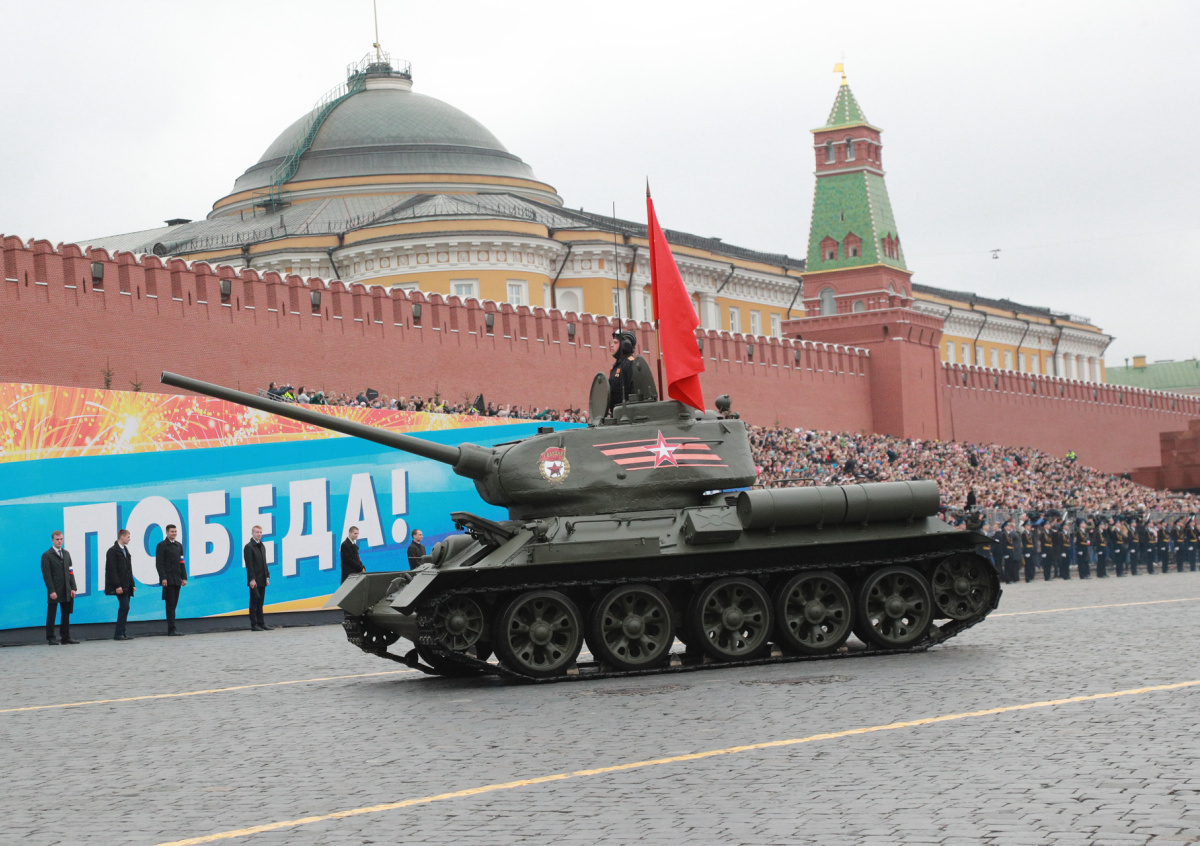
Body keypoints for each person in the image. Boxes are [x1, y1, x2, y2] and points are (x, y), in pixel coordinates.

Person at [41, 530, 78, 645]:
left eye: (61, 539)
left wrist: (73, 587)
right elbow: (47, 575)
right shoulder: (47, 555)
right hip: (55, 589)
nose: (59, 541)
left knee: (66, 613)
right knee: (52, 614)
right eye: (57, 539)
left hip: (66, 588)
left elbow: (70, 571)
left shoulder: (66, 554)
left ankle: (65, 637)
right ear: (52, 540)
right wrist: (51, 590)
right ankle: (51, 637)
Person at [155, 524, 187, 636]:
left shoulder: (179, 545)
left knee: (174, 604)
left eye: (175, 531)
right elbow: (159, 564)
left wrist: (184, 577)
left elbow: (182, 562)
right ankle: (171, 630)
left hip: (177, 579)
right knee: (170, 605)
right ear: (167, 532)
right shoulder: (161, 545)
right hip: (168, 580)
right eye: (172, 531)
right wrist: (163, 578)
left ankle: (173, 628)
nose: (174, 533)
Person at [104, 529, 135, 640]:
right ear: (122, 537)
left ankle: (122, 632)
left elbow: (129, 569)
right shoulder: (112, 551)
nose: (129, 539)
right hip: (120, 585)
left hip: (127, 585)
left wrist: (132, 584)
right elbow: (112, 569)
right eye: (128, 537)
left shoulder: (125, 550)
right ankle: (118, 633)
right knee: (124, 606)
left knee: (125, 608)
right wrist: (117, 585)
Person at [244, 525, 271, 631]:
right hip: (254, 580)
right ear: (252, 533)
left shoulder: (262, 546)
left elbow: (264, 562)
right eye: (257, 532)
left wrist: (267, 577)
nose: (259, 534)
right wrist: (252, 579)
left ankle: (261, 623)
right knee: (254, 602)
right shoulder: (249, 547)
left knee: (260, 602)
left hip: (262, 578)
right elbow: (249, 565)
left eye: (260, 532)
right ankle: (254, 624)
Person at [605, 330, 637, 416]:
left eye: (615, 343)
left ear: (625, 345)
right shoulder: (616, 366)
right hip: (616, 413)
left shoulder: (630, 363)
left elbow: (634, 391)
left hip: (626, 414)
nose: (611, 345)